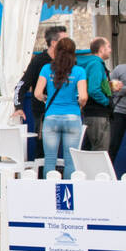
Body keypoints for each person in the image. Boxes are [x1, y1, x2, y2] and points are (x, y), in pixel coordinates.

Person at [34, 35, 87, 178]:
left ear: (57, 51)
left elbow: (37, 93)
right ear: (73, 52)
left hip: (51, 117)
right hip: (72, 117)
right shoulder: (79, 71)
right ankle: (68, 195)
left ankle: (49, 193)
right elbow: (83, 97)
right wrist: (80, 106)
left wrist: (46, 100)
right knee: (70, 161)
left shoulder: (46, 69)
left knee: (50, 160)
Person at [13, 25, 68, 156]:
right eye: (65, 40)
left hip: (65, 111)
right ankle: (42, 175)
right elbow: (21, 85)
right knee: (44, 150)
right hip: (44, 114)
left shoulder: (69, 61)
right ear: (54, 43)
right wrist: (18, 106)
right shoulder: (39, 61)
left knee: (65, 151)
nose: (69, 44)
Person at [76, 37, 113, 151]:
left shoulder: (92, 63)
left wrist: (110, 86)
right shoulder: (96, 64)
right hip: (98, 114)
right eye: (108, 47)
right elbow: (93, 89)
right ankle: (98, 170)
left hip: (91, 113)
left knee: (89, 149)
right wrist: (107, 102)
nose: (110, 50)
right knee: (100, 149)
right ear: (101, 49)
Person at [108, 55, 126, 163]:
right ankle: (106, 176)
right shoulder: (120, 68)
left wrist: (120, 88)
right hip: (118, 113)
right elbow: (108, 87)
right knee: (112, 146)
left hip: (118, 112)